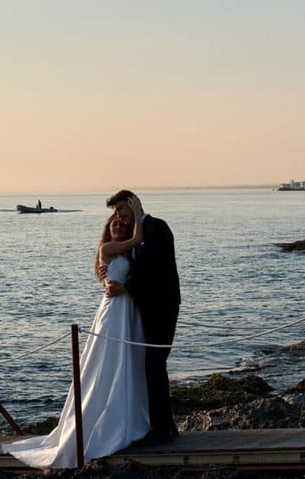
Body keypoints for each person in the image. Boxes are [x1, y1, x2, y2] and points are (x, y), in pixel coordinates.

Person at [3, 202, 150, 468]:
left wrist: (126, 287)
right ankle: (100, 421)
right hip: (113, 311)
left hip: (127, 308)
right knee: (106, 362)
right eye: (113, 223)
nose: (117, 224)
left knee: (125, 360)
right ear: (107, 231)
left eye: (121, 222)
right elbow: (138, 238)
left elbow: (136, 255)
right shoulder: (107, 249)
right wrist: (136, 209)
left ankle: (125, 415)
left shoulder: (129, 254)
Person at [103, 189, 181, 446]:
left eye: (121, 210)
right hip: (145, 311)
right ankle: (166, 425)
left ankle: (160, 429)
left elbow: (156, 270)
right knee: (154, 367)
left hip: (161, 308)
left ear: (133, 205)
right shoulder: (134, 235)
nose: (120, 217)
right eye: (116, 213)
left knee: (154, 365)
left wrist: (127, 288)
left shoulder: (156, 228)